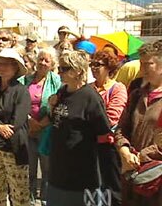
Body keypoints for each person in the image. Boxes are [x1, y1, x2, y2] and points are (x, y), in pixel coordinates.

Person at [47, 50, 112, 206]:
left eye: (65, 68)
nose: (60, 72)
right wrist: (51, 105)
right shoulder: (62, 92)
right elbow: (56, 120)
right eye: (59, 68)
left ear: (79, 71)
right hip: (58, 168)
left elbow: (104, 131)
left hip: (81, 174)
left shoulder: (90, 97)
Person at [115, 41, 162, 206]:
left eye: (148, 64)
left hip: (156, 183)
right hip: (132, 177)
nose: (142, 69)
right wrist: (124, 150)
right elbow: (121, 128)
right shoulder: (136, 95)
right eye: (141, 63)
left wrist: (141, 156)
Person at [0, 48, 31, 205]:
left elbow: (17, 122)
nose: (3, 67)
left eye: (8, 64)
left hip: (13, 147)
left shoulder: (21, 91)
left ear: (16, 68)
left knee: (20, 193)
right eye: (1, 64)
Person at [18, 47, 61, 206]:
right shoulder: (24, 80)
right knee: (28, 167)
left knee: (47, 168)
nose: (42, 63)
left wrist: (43, 123)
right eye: (40, 59)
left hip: (47, 131)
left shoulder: (56, 81)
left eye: (46, 60)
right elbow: (18, 103)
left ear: (52, 64)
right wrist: (29, 120)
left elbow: (60, 105)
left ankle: (45, 199)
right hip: (27, 128)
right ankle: (28, 199)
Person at [90, 50, 127, 206]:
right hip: (88, 145)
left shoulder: (118, 88)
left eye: (98, 65)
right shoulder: (88, 88)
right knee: (91, 188)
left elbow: (112, 118)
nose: (93, 68)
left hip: (108, 146)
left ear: (109, 67)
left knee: (111, 188)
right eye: (92, 64)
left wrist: (86, 124)